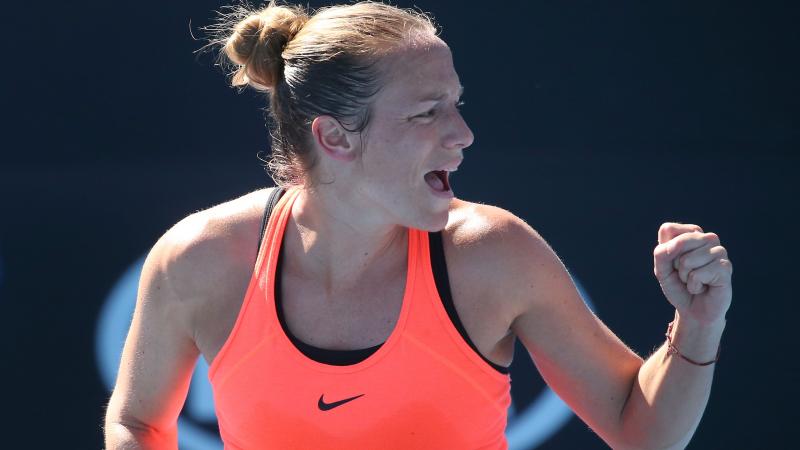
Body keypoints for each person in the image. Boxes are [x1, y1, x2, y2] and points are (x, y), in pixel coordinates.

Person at [103, 1, 733, 448]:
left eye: (457, 104)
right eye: (428, 113)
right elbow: (136, 423)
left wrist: (699, 325)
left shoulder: (493, 254)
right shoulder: (198, 259)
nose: (463, 135)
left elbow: (639, 430)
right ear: (334, 136)